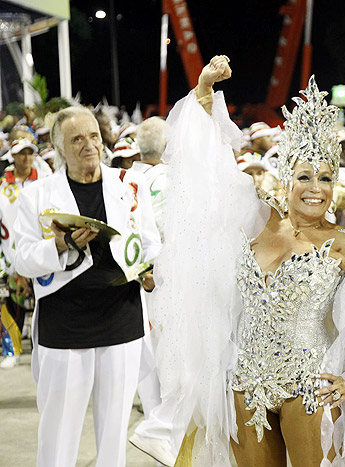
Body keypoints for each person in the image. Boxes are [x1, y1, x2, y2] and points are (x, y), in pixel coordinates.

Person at [152, 56, 345, 467]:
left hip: (309, 386)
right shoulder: (256, 218)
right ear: (286, 176)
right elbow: (206, 172)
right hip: (244, 383)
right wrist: (204, 91)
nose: (316, 189)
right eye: (305, 176)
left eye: (326, 178)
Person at [13, 106, 161, 466]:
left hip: (122, 319)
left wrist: (147, 268)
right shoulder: (36, 196)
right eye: (77, 138)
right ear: (60, 148)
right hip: (65, 325)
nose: (89, 145)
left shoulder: (130, 185)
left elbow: (150, 242)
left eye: (94, 136)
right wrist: (60, 245)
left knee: (114, 437)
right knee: (58, 434)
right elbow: (22, 258)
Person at [129, 116, 177, 465]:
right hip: (167, 280)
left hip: (135, 282)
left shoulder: (125, 180)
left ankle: (155, 422)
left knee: (146, 357)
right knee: (171, 359)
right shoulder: (171, 180)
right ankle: (164, 432)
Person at [0, 138, 46, 369]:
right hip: (11, 256)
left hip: (41, 254)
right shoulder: (2, 187)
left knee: (44, 301)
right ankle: (12, 350)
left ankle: (43, 349)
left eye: (30, 153)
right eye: (21, 153)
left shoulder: (44, 181)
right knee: (12, 304)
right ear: (12, 156)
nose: (26, 157)